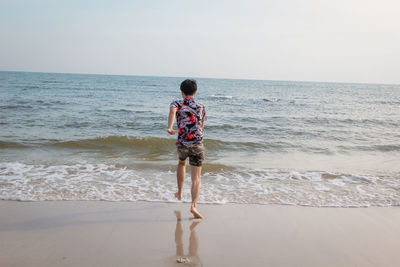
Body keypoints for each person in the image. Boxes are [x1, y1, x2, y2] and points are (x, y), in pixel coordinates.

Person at [167, 79, 206, 219]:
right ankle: (193, 206)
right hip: (197, 144)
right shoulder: (201, 106)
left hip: (182, 143)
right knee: (196, 178)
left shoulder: (176, 103)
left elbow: (172, 112)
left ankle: (180, 192)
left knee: (182, 163)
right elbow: (201, 126)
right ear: (195, 92)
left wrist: (170, 127)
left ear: (181, 92)